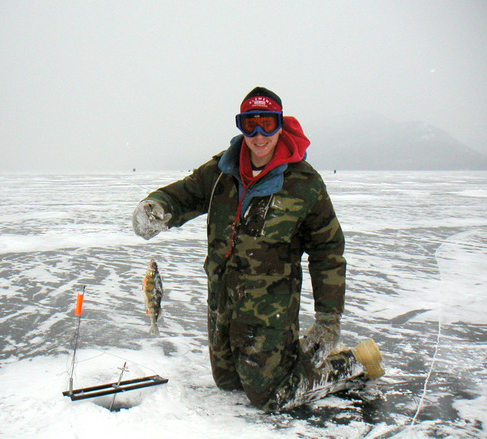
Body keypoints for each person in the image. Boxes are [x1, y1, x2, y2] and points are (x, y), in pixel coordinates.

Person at [132, 87, 384, 412]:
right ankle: (291, 361)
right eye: (250, 124)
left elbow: (328, 250)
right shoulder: (223, 171)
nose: (259, 135)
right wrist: (155, 206)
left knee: (272, 396)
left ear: (281, 124)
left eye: (268, 123)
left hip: (269, 308)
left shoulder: (304, 183)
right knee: (229, 382)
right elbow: (185, 194)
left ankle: (354, 362)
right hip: (222, 298)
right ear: (241, 126)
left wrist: (328, 318)